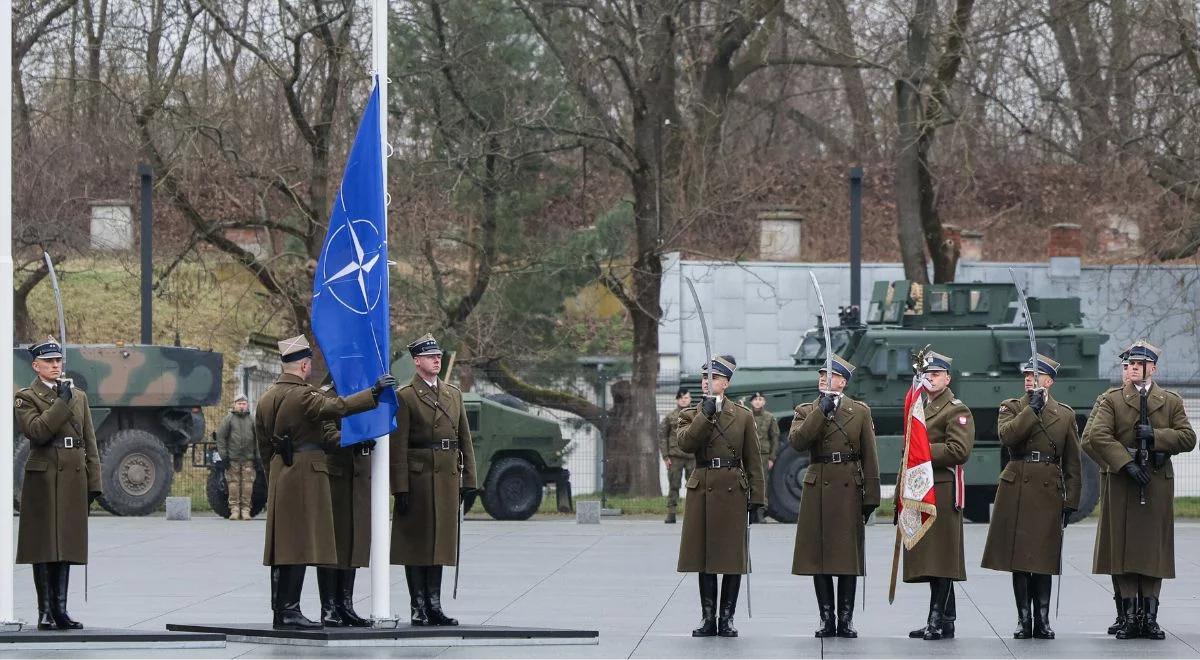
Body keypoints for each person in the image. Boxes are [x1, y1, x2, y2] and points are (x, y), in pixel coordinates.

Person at [255, 335, 394, 630]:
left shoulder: (267, 398)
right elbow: (339, 407)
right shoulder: (304, 396)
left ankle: (282, 610)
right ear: (304, 365)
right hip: (306, 472)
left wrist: (274, 482)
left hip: (282, 473)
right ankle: (289, 611)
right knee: (299, 545)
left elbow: (263, 447)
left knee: (283, 547)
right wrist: (374, 392)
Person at [1082, 340, 1195, 640]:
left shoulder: (1169, 401)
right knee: (1124, 548)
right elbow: (1096, 435)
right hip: (1124, 482)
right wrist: (1125, 462)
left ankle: (1150, 617)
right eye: (1130, 364)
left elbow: (1187, 437)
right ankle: (1130, 616)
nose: (1133, 368)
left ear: (1153, 368)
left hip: (1156, 482)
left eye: (1140, 364)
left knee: (1152, 552)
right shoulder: (1113, 400)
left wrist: (1157, 438)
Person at [981, 354, 1081, 640]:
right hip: (1018, 487)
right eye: (1026, 375)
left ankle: (1043, 619)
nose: (1029, 379)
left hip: (1049, 488)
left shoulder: (1065, 414)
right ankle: (1024, 619)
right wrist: (1031, 411)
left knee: (1043, 558)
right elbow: (1008, 437)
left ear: (1049, 381)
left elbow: (1073, 462)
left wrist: (1071, 501)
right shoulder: (1012, 407)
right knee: (1021, 559)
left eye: (1035, 375)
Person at [789, 355, 880, 638]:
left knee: (846, 557)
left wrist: (871, 497)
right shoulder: (807, 410)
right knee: (820, 557)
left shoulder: (860, 411)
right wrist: (821, 411)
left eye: (829, 376)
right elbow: (798, 442)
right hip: (819, 485)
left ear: (842, 381)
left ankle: (846, 619)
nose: (822, 379)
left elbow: (870, 456)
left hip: (848, 486)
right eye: (820, 375)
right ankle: (826, 618)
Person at [391, 334, 478, 627]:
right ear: (417, 362)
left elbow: (464, 438)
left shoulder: (453, 393)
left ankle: (434, 604)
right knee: (416, 543)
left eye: (438, 356)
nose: (436, 360)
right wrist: (399, 486)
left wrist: (469, 478)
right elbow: (398, 445)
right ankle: (418, 606)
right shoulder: (406, 396)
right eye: (430, 357)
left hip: (446, 478)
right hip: (419, 477)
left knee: (440, 543)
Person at [676, 355, 766, 638]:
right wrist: (705, 413)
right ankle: (707, 618)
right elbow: (686, 443)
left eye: (714, 378)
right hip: (703, 486)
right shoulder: (691, 413)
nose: (707, 382)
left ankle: (726, 618)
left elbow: (753, 459)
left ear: (725, 383)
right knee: (704, 557)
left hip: (732, 489)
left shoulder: (742, 415)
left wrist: (757, 498)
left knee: (730, 558)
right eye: (705, 378)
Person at [15, 337, 102, 630]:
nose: (55, 365)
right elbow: (37, 431)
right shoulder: (26, 397)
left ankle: (61, 610)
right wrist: (62, 402)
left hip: (73, 476)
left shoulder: (79, 396)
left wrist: (94, 482)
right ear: (36, 365)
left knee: (66, 543)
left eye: (58, 361)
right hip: (45, 476)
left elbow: (90, 440)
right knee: (43, 545)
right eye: (49, 361)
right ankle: (45, 611)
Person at [903, 350, 974, 641]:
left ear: (947, 377)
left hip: (943, 488)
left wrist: (921, 454)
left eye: (935, 375)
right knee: (934, 557)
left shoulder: (956, 410)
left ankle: (936, 618)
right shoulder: (919, 407)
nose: (929, 379)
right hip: (922, 487)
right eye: (927, 375)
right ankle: (946, 620)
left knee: (942, 558)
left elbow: (960, 451)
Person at [317, 385, 373, 627]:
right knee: (333, 546)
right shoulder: (328, 397)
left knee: (354, 542)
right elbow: (327, 434)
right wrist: (356, 438)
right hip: (336, 480)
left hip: (358, 477)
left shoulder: (365, 393)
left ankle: (345, 605)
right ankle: (329, 607)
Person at [214, 395, 258, 520]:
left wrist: (258, 456)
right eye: (239, 403)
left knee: (248, 485)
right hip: (232, 459)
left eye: (244, 403)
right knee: (233, 484)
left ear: (247, 405)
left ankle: (245, 510)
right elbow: (221, 438)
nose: (241, 406)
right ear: (234, 405)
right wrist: (224, 457)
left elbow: (258, 439)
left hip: (248, 459)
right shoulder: (229, 419)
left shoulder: (252, 420)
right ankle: (234, 509)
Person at [660, 387, 694, 524]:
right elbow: (663, 437)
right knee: (674, 485)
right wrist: (665, 456)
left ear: (690, 399)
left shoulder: (697, 415)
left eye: (686, 397)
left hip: (693, 456)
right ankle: (671, 513)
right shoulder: (670, 417)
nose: (684, 400)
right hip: (675, 457)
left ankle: (693, 514)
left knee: (694, 487)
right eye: (681, 398)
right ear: (677, 400)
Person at [748, 392, 779, 522]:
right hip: (749, 455)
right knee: (747, 482)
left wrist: (772, 457)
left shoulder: (769, 417)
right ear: (751, 402)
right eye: (755, 399)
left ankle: (761, 512)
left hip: (764, 456)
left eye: (760, 399)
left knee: (763, 484)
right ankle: (749, 511)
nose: (758, 402)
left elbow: (775, 438)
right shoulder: (746, 416)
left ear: (764, 402)